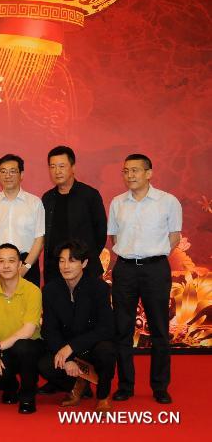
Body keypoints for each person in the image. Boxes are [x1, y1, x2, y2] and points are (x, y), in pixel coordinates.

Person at [108, 153, 181, 405]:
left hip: (155, 270)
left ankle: (160, 387)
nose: (130, 176)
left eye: (136, 171)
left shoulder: (167, 201)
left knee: (159, 329)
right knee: (123, 330)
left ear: (149, 173)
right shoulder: (117, 203)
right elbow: (114, 239)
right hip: (125, 270)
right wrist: (131, 257)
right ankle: (126, 386)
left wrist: (153, 256)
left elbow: (174, 236)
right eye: (126, 171)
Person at [38, 240, 116, 411]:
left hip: (91, 345)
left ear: (84, 263)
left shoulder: (99, 288)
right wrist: (67, 358)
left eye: (72, 260)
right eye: (62, 260)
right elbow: (49, 329)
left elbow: (106, 328)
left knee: (107, 351)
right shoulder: (51, 290)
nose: (66, 266)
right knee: (44, 365)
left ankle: (103, 396)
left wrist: (71, 347)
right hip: (66, 347)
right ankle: (77, 385)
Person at [0, 243, 44, 414]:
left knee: (23, 346)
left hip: (29, 347)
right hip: (2, 349)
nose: (6, 266)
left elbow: (28, 331)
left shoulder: (33, 291)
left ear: (20, 264)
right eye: (1, 261)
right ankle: (11, 386)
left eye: (11, 261)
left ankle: (28, 395)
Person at [41, 146, 106, 282]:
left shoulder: (90, 195)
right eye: (52, 167)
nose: (57, 171)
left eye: (61, 166)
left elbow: (100, 233)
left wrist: (82, 258)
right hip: (55, 270)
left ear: (73, 167)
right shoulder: (47, 198)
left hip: (85, 269)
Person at [0, 154, 45, 286]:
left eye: (12, 171)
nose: (8, 175)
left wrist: (25, 267)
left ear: (21, 174)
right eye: (3, 171)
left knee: (28, 305)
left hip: (27, 263)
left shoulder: (34, 202)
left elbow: (39, 238)